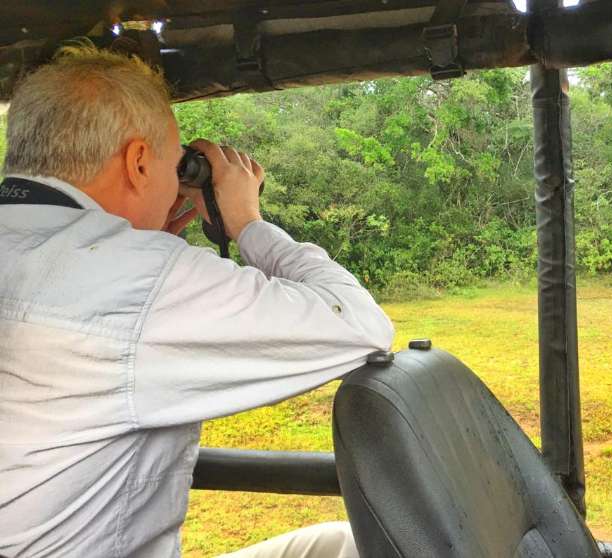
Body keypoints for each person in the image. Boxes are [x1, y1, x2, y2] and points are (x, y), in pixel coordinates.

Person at [0, 44, 394, 557]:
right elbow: (358, 325)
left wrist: (137, 229)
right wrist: (248, 224)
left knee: (332, 545)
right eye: (174, 168)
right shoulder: (135, 277)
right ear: (139, 162)